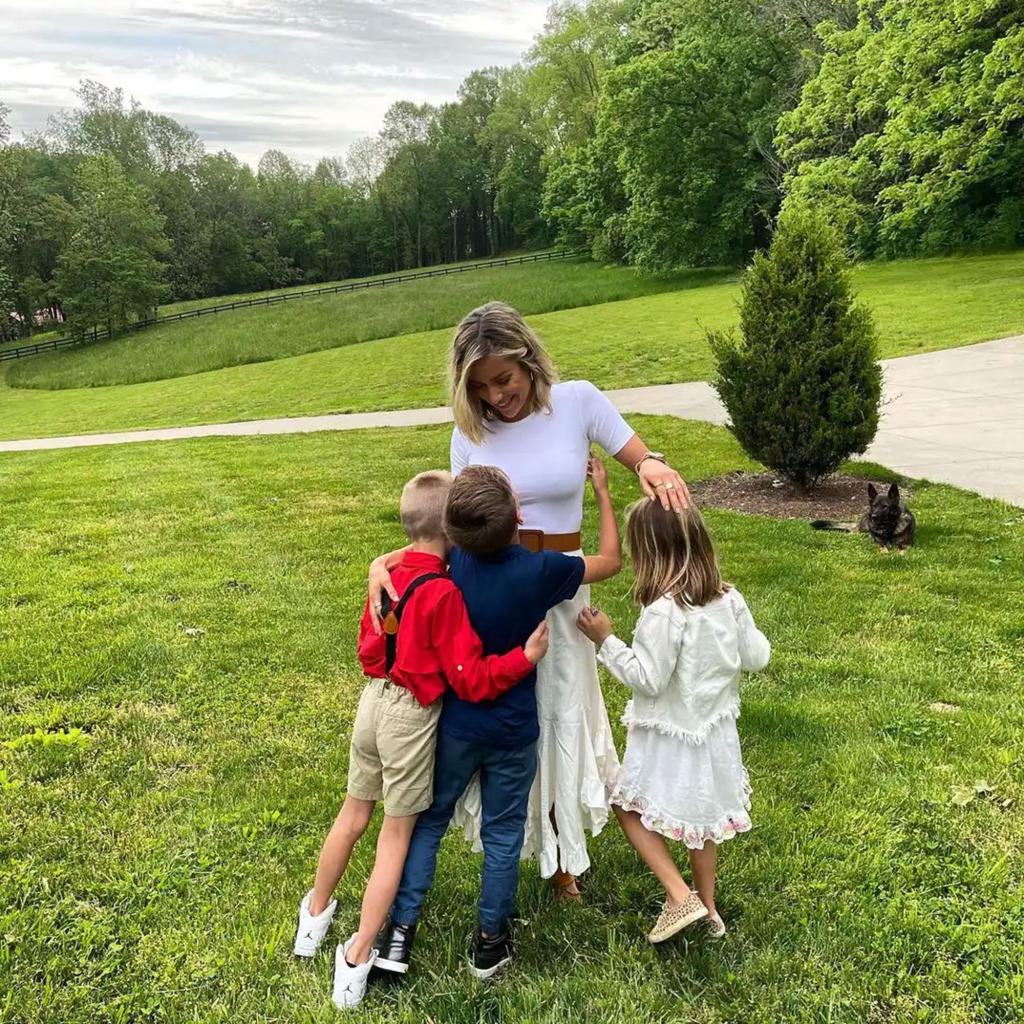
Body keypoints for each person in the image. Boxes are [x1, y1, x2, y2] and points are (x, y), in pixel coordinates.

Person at [369, 301, 691, 900]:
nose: (496, 396)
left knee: (563, 715)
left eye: (505, 379)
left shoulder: (578, 401)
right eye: (482, 386)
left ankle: (563, 849)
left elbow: (636, 452)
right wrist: (383, 562)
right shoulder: (470, 435)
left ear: (528, 361)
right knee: (518, 716)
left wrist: (651, 466)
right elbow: (451, 526)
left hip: (564, 584)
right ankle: (530, 841)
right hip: (493, 592)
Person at [292, 470, 548, 1010]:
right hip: (411, 714)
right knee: (395, 834)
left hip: (372, 701)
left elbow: (368, 648)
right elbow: (469, 678)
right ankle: (360, 954)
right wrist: (522, 660)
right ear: (454, 530)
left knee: (352, 815)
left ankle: (313, 920)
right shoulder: (445, 594)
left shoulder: (386, 575)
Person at [373, 461, 621, 980]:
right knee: (504, 833)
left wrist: (380, 562)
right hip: (513, 730)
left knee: (431, 822)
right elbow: (611, 562)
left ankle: (398, 935)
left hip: (457, 726)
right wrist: (601, 493)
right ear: (519, 517)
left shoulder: (453, 563)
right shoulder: (544, 570)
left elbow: (414, 550)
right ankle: (490, 943)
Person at [576, 500, 770, 943]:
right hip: (715, 735)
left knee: (625, 805)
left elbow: (648, 678)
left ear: (650, 553)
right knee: (701, 826)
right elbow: (756, 657)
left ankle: (679, 893)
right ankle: (710, 910)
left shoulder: (664, 612)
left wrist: (606, 640)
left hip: (669, 738)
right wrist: (747, 637)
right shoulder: (730, 599)